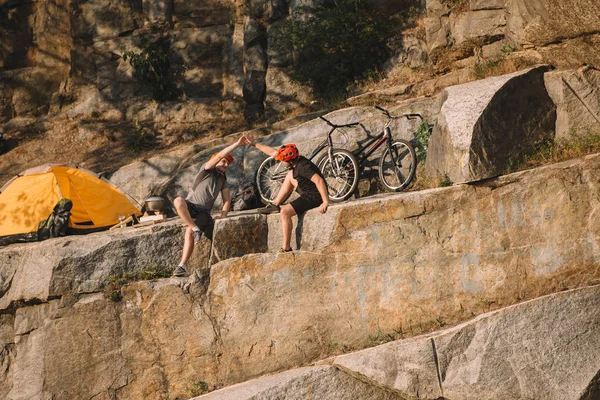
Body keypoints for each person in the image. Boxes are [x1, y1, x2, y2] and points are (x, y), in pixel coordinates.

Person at [172, 136, 249, 276]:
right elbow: (220, 154)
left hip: (203, 212)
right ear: (216, 161)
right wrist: (237, 144)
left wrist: (224, 214)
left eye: (228, 164)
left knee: (188, 232)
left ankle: (181, 266)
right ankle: (195, 228)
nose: (226, 165)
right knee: (178, 201)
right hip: (191, 205)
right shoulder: (206, 170)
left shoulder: (223, 179)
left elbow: (226, 201)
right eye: (224, 161)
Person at [244, 133, 329, 252]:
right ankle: (275, 204)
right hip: (307, 189)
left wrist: (325, 202)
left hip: (314, 197)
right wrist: (254, 144)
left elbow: (319, 181)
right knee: (290, 175)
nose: (280, 161)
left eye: (282, 160)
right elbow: (273, 153)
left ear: (288, 160)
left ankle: (286, 248)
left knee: (285, 212)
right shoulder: (296, 162)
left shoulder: (303, 167)